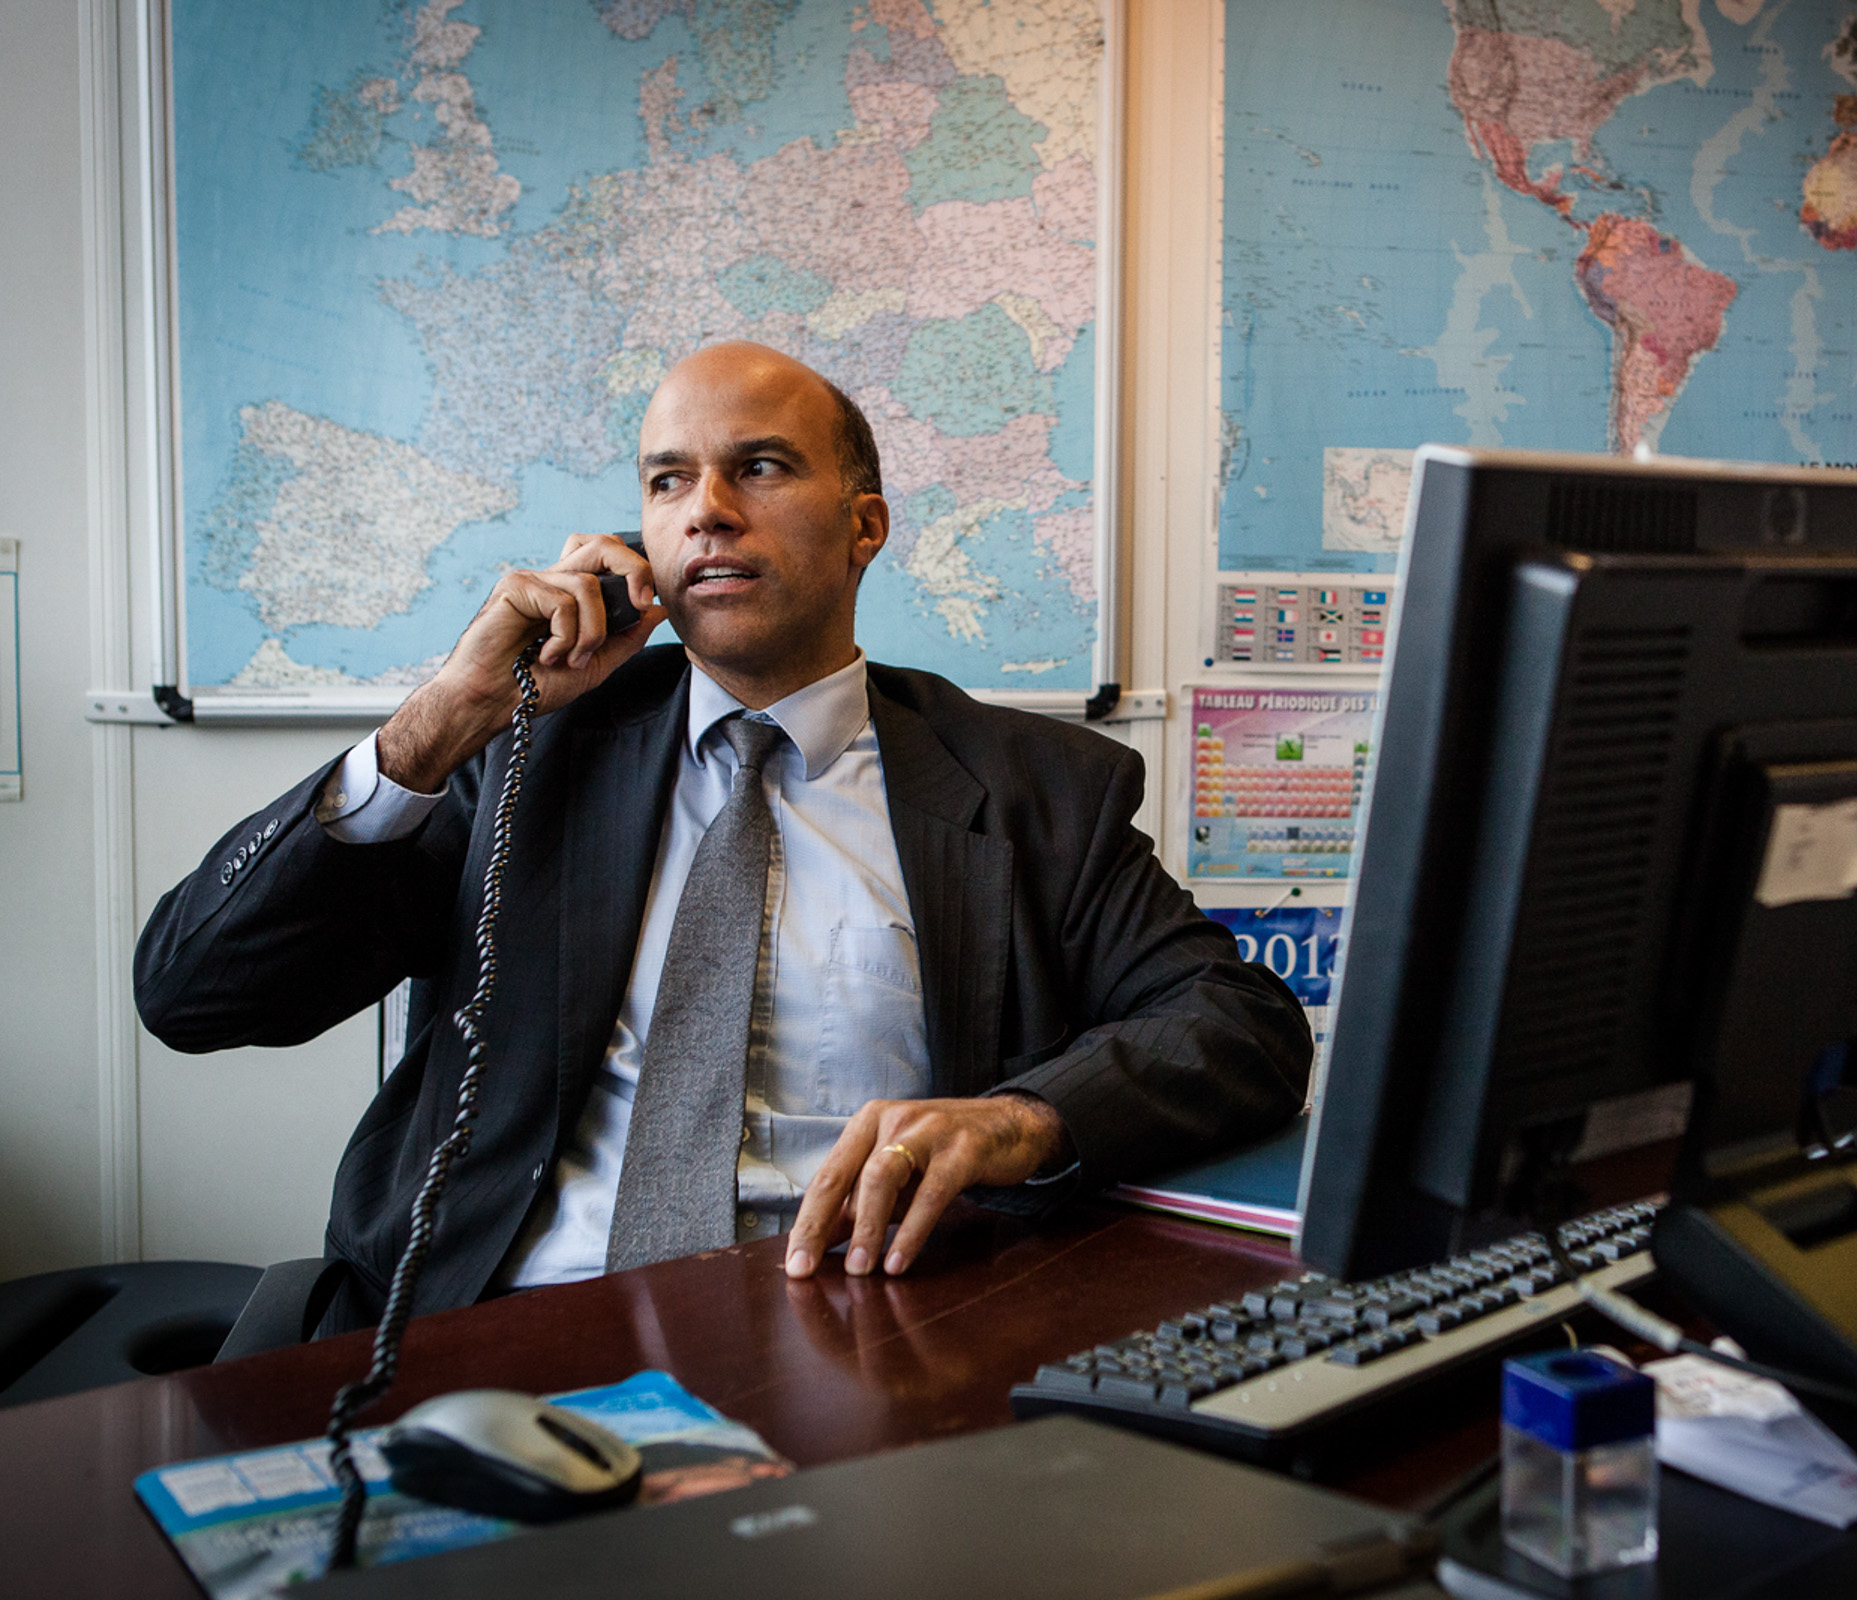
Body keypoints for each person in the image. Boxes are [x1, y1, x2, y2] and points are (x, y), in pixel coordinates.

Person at [136, 342, 1309, 1333]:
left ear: (864, 527)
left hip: (865, 1333)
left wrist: (1022, 1117)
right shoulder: (524, 753)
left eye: (757, 466)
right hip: (505, 1326)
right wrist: (440, 719)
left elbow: (1241, 1029)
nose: (705, 508)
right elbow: (193, 992)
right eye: (667, 481)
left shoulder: (1035, 787)